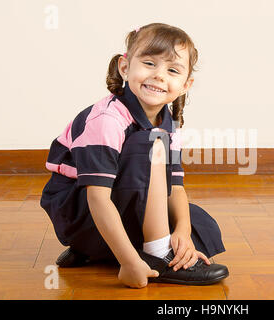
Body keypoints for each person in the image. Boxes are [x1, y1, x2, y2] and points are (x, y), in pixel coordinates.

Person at [40, 23, 228, 289]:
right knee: (150, 144)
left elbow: (175, 187)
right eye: (149, 63)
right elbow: (97, 196)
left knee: (198, 223)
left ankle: (105, 251)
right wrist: (129, 263)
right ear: (125, 67)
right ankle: (156, 254)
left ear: (186, 85)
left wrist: (183, 233)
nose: (159, 76)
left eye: (172, 70)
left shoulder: (169, 123)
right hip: (83, 210)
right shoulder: (107, 119)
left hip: (123, 203)